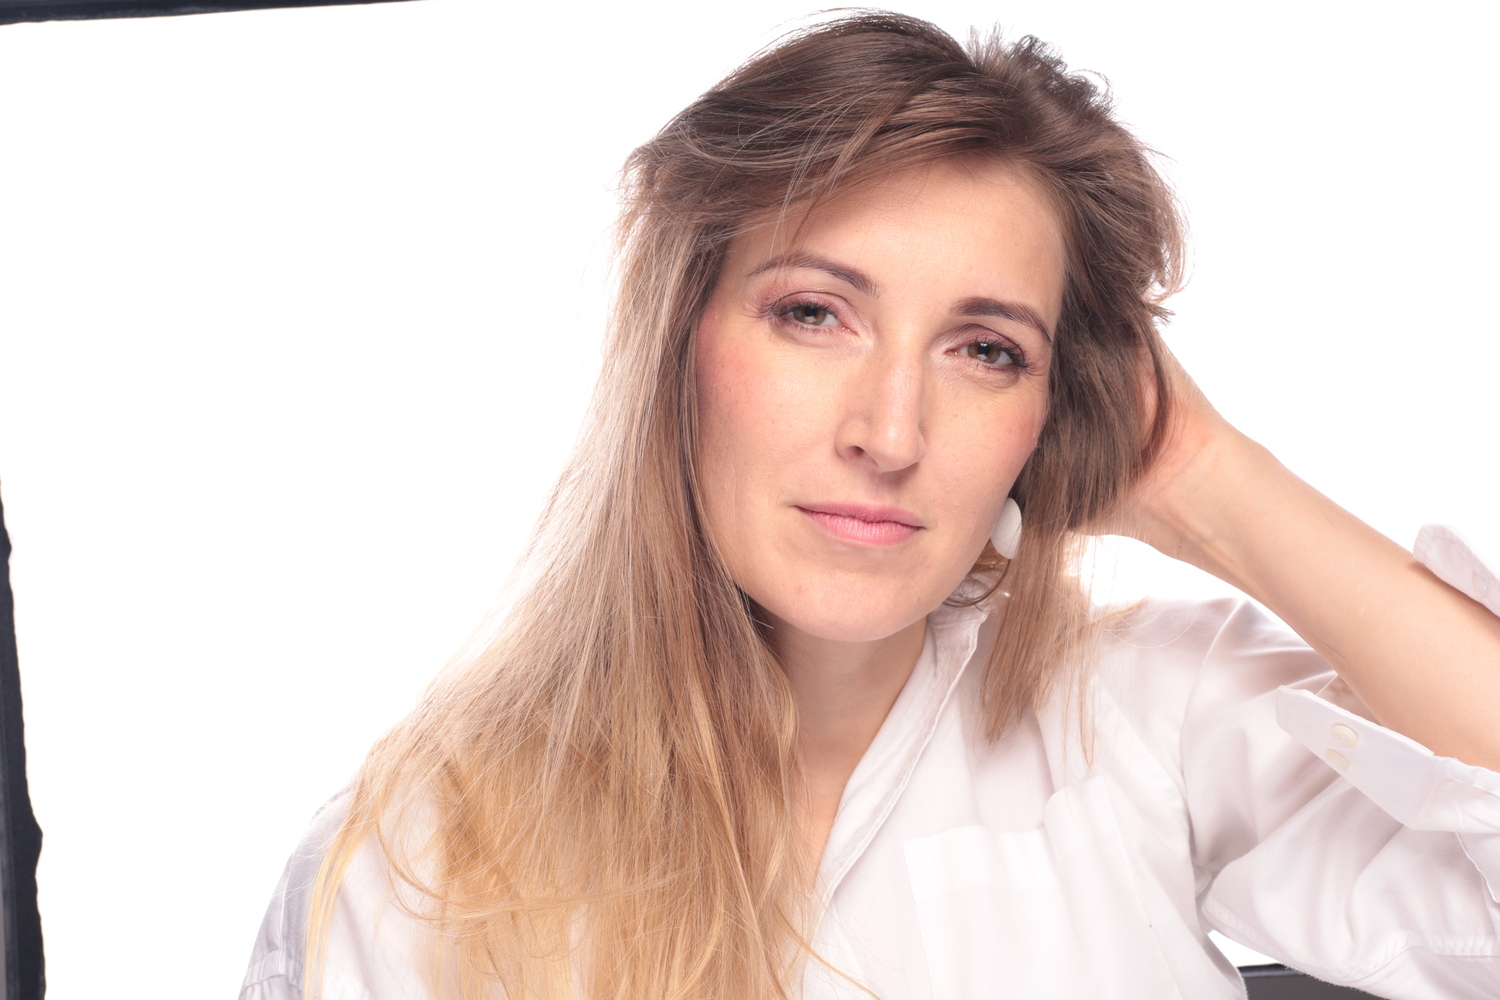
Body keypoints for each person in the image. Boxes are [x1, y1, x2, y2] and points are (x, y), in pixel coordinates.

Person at [239, 12, 1500, 1000]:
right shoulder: (420, 857)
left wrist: (1201, 473)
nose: (891, 435)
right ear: (679, 340)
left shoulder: (1141, 717)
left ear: (1052, 405)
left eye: (987, 350)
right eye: (813, 313)